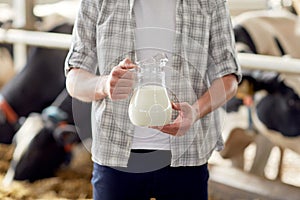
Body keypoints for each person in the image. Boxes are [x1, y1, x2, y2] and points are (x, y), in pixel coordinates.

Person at [65, 0, 242, 199]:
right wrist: (104, 85)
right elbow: (74, 79)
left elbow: (228, 79)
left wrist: (196, 111)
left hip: (187, 156)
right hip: (115, 157)